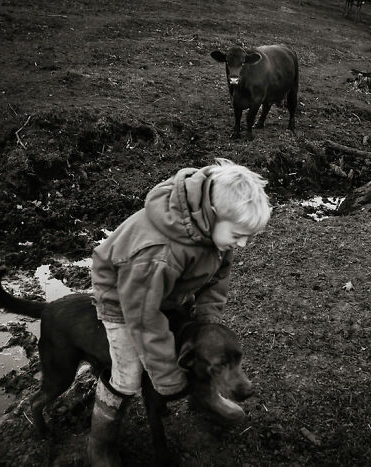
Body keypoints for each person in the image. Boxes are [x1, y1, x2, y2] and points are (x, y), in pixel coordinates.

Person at [87, 158, 271, 465]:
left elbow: (217, 275)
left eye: (247, 237)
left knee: (198, 348)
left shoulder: (216, 234)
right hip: (123, 298)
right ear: (212, 214)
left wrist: (208, 319)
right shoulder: (158, 253)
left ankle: (203, 396)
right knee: (129, 375)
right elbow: (145, 319)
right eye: (239, 235)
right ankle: (100, 443)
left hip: (167, 288)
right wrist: (167, 377)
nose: (244, 244)